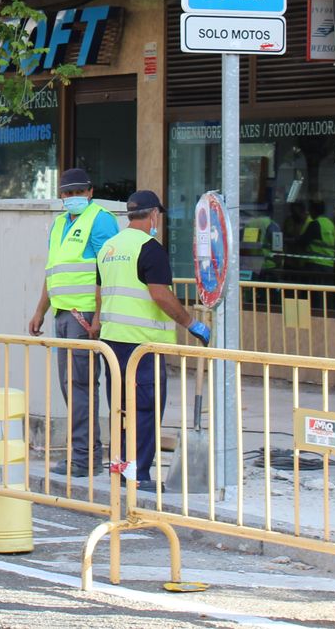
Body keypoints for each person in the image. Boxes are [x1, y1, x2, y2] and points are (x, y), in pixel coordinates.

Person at [96, 190, 212, 485]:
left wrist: (97, 324)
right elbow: (160, 294)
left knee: (120, 409)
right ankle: (139, 475)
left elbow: (100, 293)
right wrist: (191, 323)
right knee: (144, 411)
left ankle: (122, 469)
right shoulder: (150, 248)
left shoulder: (109, 248)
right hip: (142, 346)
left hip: (111, 343)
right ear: (153, 215)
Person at [27, 167, 119, 475]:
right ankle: (86, 454)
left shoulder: (102, 219)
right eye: (67, 193)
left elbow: (107, 271)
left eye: (78, 192)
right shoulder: (58, 225)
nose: (72, 198)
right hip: (63, 315)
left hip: (85, 317)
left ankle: (84, 458)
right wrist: (41, 309)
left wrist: (99, 316)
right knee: (72, 387)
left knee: (81, 387)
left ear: (90, 192)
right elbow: (53, 272)